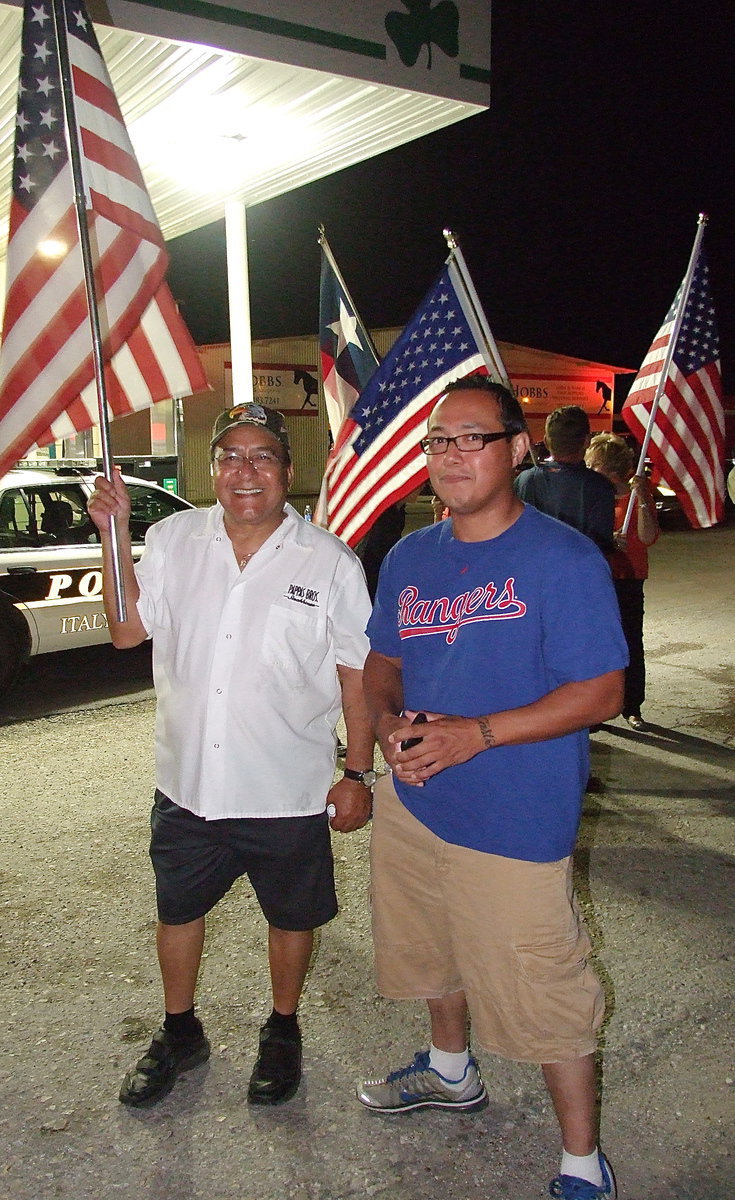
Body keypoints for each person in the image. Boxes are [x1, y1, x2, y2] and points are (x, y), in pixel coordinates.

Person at [358, 376, 628, 1199]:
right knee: (429, 952)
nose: (451, 454)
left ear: (516, 449)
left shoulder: (561, 558)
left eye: (472, 437)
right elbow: (382, 662)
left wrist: (472, 734)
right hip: (415, 804)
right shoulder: (411, 555)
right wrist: (383, 730)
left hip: (514, 819)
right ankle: (449, 1071)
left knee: (545, 989)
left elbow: (600, 692)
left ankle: (581, 1160)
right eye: (439, 440)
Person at [87, 402, 374, 1109]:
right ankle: (179, 1030)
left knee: (291, 917)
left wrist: (357, 772)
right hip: (190, 787)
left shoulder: (329, 561)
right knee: (178, 911)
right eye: (231, 456)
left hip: (287, 789)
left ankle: (282, 1028)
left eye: (263, 456)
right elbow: (126, 632)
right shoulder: (173, 539)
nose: (247, 471)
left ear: (287, 469)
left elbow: (356, 673)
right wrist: (112, 531)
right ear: (212, 468)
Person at [585, 433, 659, 731]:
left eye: (595, 465)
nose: (590, 470)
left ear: (609, 466)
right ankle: (596, 708)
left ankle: (632, 706)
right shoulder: (592, 496)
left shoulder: (634, 496)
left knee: (630, 643)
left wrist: (641, 498)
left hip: (628, 579)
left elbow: (648, 536)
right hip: (597, 579)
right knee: (595, 646)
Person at [515, 405, 615, 555]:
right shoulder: (599, 488)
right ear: (587, 441)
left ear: (547, 442)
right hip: (577, 574)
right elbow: (600, 548)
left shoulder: (524, 481)